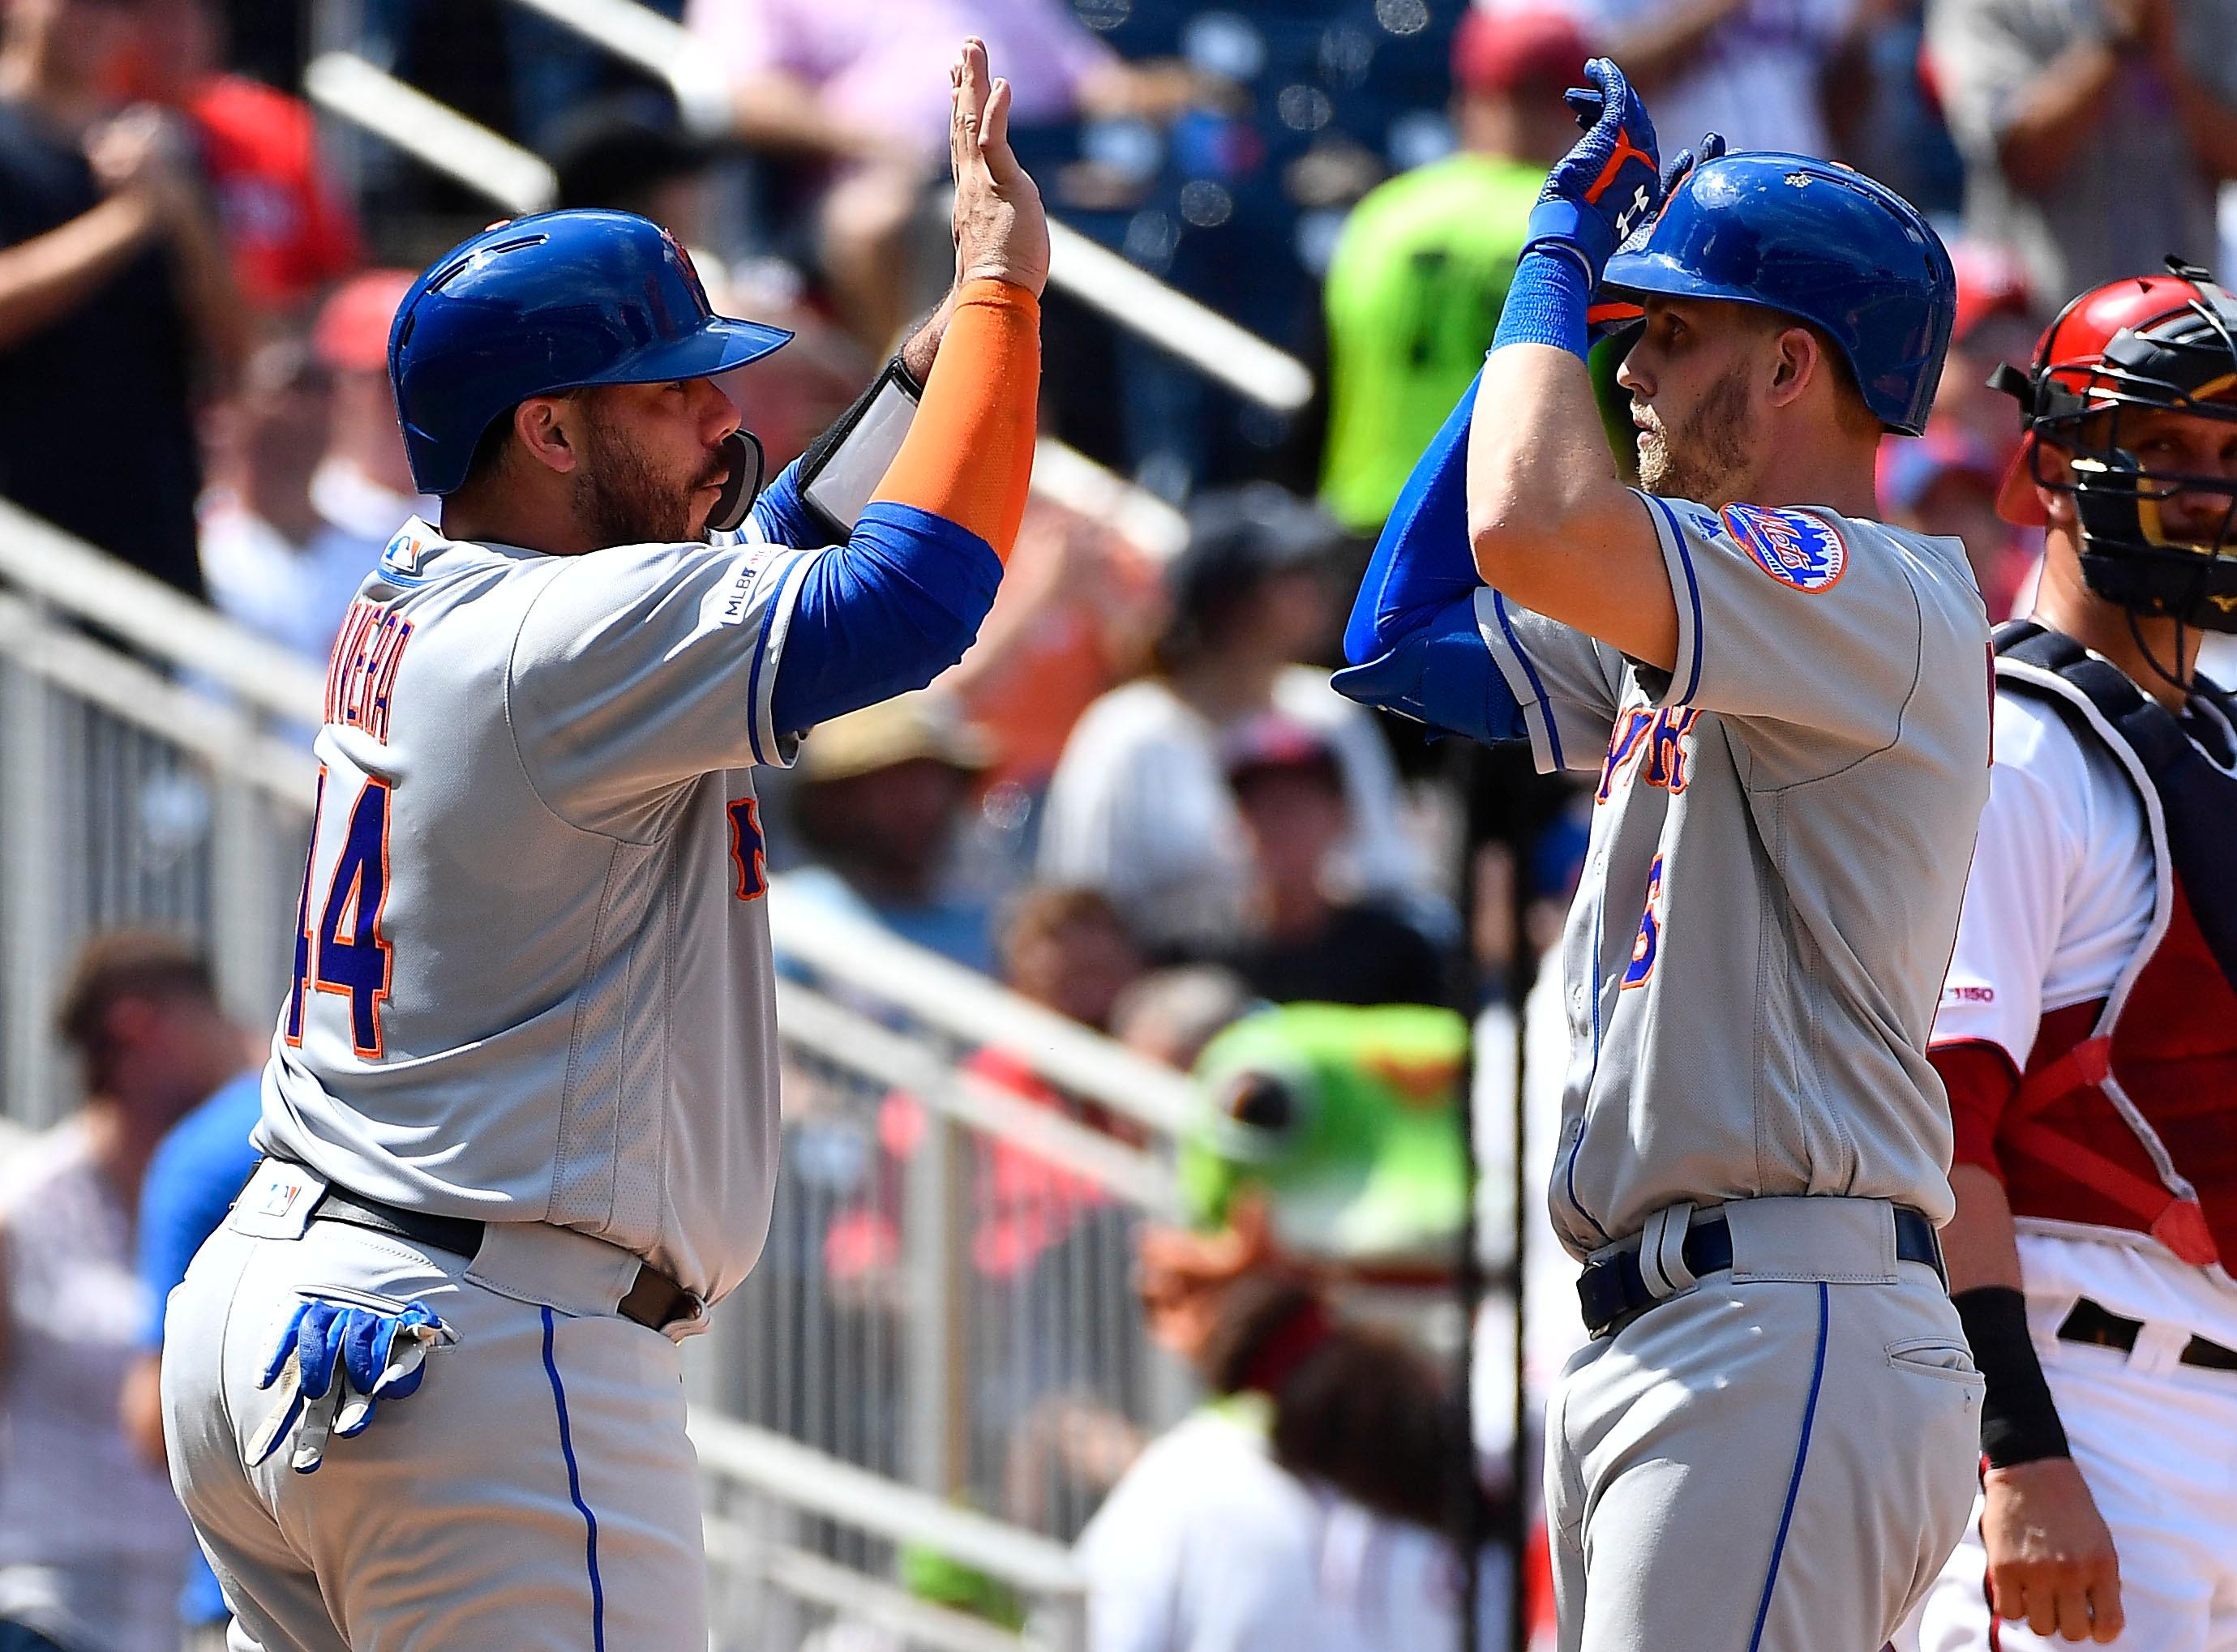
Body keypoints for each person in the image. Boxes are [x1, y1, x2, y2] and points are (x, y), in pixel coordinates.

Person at [157, 39, 1045, 1652]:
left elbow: (762, 552)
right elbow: (901, 604)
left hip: (290, 1312)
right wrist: (1002, 308)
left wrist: (917, 376)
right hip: (481, 1347)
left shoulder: (443, 586)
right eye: (672, 392)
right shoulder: (559, 634)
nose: (725, 417)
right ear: (549, 433)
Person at [1334, 58, 1992, 1650]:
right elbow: (1404, 635)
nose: (1625, 365)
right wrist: (1541, 294)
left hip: (1778, 1313)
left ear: (1788, 368)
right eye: (1622, 327)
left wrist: (1553, 266)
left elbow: (1526, 528)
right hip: (1706, 1324)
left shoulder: (1862, 586)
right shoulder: (1719, 602)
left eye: (1670, 330)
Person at [1898, 264, 2237, 1651]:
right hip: (2085, 1406)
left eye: (2227, 455)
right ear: (2039, 469)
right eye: (2159, 445)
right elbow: (1931, 1133)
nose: (2201, 486)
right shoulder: (2009, 737)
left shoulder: (2213, 731)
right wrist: (2014, 1450)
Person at [1039, 483, 1431, 957]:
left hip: (1326, 983)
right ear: (1232, 602)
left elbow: (1386, 871)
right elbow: (1083, 904)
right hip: (1163, 991)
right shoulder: (1125, 733)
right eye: (1293, 575)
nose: (1320, 590)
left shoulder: (1330, 711)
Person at [0, 933, 244, 1652]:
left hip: (201, 1608)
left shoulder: (247, 1184)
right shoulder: (28, 1209)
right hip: (53, 1610)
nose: (241, 1059)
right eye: (214, 1036)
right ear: (137, 1030)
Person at [0, 0, 243, 596]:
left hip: (149, 532)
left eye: (121, 6)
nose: (99, 17)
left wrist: (181, 214)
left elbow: (239, 354)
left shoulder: (160, 151)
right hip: (20, 539)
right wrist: (131, 221)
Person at [1319, 9, 1590, 536]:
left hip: (1375, 530)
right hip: (1522, 536)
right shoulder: (1581, 230)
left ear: (1467, 97)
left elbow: (1323, 388)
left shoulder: (1383, 216)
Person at [1926, 0, 2237, 303]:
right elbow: (2020, 156)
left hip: (2184, 323)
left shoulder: (2214, 9)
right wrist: (2116, 38)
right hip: (2034, 325)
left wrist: (2165, 60)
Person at [109, 0, 361, 318]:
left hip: (280, 344)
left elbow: (339, 274)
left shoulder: (274, 124)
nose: (178, 33)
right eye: (154, 15)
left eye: (194, 12)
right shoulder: (82, 138)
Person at [1215, 713, 1454, 1009]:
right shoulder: (1199, 951)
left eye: (1299, 806)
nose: (1282, 823)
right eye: (1262, 807)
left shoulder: (1399, 952)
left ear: (1341, 817)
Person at [784, 690, 1007, 972]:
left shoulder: (986, 927)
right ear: (837, 802)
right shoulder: (801, 914)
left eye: (931, 780)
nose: (921, 802)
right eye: (895, 784)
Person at [198, 337, 371, 661]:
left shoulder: (375, 557)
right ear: (234, 410)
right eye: (291, 390)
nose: (307, 411)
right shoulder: (201, 539)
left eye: (321, 392)